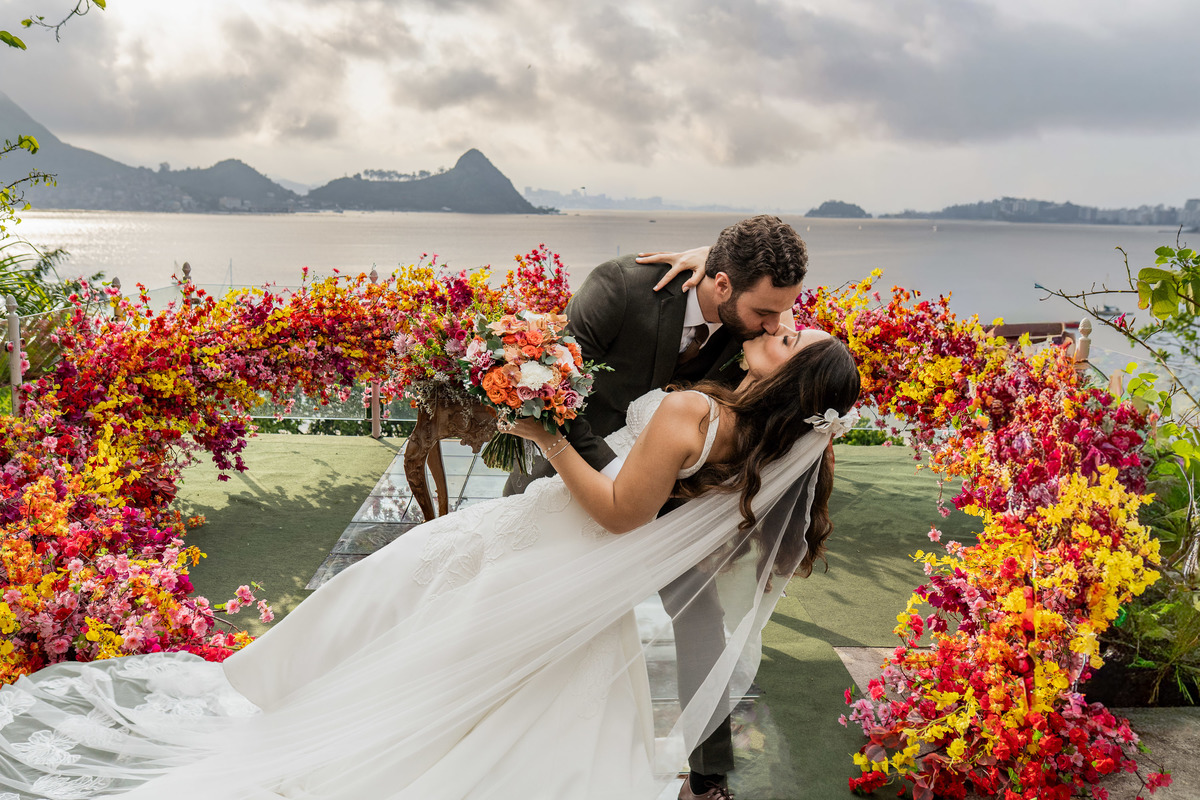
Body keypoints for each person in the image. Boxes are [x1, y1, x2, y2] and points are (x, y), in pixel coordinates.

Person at [0, 326, 859, 800]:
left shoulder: (687, 412)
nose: (777, 330)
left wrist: (545, 434)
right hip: (578, 582)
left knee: (409, 614)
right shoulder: (759, 442)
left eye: (790, 340)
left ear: (790, 383)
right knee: (473, 664)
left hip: (556, 546)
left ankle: (334, 737)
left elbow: (620, 514)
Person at [503, 215, 807, 800]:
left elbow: (799, 359)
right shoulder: (618, 288)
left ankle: (709, 777)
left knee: (699, 614)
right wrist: (621, 480)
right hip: (567, 469)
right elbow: (552, 393)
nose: (779, 324)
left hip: (670, 494)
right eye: (768, 313)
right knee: (531, 610)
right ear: (721, 285)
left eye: (781, 314)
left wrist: (710, 257)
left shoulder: (753, 321)